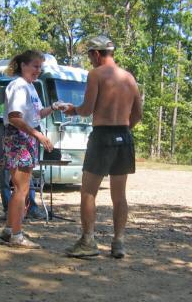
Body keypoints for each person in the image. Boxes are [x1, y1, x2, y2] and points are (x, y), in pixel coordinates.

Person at [64, 36, 142, 258]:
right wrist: (124, 130)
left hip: (102, 137)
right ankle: (119, 243)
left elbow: (87, 109)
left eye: (90, 56)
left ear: (96, 54)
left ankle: (88, 241)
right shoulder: (129, 77)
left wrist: (73, 109)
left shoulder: (96, 74)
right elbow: (138, 114)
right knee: (120, 196)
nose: (90, 61)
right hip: (124, 137)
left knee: (88, 191)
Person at [0, 50, 65, 248]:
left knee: (22, 188)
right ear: (23, 66)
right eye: (35, 66)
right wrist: (38, 135)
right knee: (21, 188)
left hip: (27, 137)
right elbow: (15, 118)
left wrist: (53, 107)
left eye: (40, 67)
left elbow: (35, 115)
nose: (39, 70)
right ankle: (17, 235)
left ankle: (10, 229)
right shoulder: (18, 86)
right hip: (18, 138)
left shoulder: (31, 87)